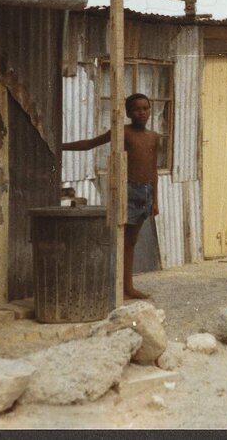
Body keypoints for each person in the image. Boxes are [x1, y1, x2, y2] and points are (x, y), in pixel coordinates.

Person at [62, 93, 159, 300]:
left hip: (146, 193)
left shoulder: (154, 137)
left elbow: (153, 170)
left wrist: (155, 201)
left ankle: (128, 287)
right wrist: (60, 146)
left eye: (146, 108)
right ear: (128, 113)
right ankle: (120, 286)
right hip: (128, 191)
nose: (142, 113)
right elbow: (90, 144)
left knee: (132, 241)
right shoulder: (123, 132)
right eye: (136, 109)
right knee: (121, 240)